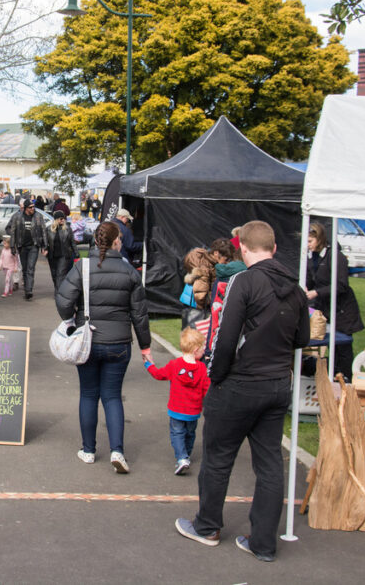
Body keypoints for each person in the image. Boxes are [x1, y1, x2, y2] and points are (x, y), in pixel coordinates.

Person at [175, 220, 309, 563]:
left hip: (240, 383)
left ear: (244, 250)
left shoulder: (242, 282)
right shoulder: (294, 287)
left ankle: (207, 526)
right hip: (277, 383)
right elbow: (302, 339)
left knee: (218, 458)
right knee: (269, 465)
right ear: (274, 249)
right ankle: (263, 542)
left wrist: (216, 377)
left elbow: (224, 335)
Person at [56, 221, 151, 474]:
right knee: (112, 396)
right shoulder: (129, 271)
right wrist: (146, 346)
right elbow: (140, 314)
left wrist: (73, 317)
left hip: (87, 340)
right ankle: (117, 450)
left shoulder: (82, 268)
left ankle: (88, 451)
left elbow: (63, 300)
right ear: (117, 241)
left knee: (88, 395)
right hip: (119, 343)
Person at [144, 327, 210, 475]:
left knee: (177, 433)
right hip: (193, 411)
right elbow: (207, 389)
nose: (204, 352)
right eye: (202, 349)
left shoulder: (174, 365)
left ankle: (181, 458)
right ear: (196, 350)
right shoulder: (202, 369)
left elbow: (159, 374)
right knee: (190, 433)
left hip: (176, 409)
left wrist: (149, 365)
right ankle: (186, 454)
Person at [305, 222, 365, 381]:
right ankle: (333, 377)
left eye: (310, 241)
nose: (307, 245)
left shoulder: (336, 256)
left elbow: (341, 285)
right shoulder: (311, 258)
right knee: (331, 345)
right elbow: (311, 281)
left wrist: (316, 292)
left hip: (342, 310)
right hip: (325, 308)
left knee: (343, 347)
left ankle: (346, 380)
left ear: (319, 239)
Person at [4, 199, 47, 300]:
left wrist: (44, 245)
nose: (33, 209)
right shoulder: (17, 216)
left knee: (31, 268)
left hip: (34, 246)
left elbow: (43, 230)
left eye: (34, 207)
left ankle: (29, 290)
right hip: (22, 246)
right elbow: (13, 231)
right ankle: (27, 288)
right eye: (31, 207)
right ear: (26, 208)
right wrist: (12, 246)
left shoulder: (38, 216)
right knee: (25, 268)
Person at [181, 247, 217, 329]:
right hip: (196, 304)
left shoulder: (194, 265)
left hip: (188, 300)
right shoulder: (203, 270)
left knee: (187, 328)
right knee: (195, 329)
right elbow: (200, 294)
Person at [45, 210, 76, 298]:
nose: (63, 220)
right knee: (54, 275)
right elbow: (45, 242)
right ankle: (58, 289)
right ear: (56, 219)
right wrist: (44, 249)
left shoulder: (68, 229)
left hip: (64, 255)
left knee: (60, 274)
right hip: (52, 256)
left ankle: (59, 294)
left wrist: (76, 253)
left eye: (64, 219)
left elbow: (72, 242)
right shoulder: (48, 229)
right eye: (61, 218)